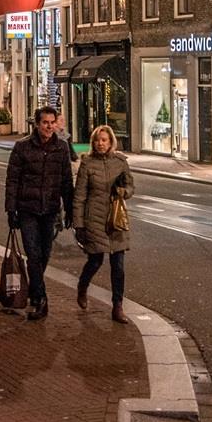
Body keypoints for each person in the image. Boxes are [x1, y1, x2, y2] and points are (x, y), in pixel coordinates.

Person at [4, 106, 75, 320]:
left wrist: (69, 208)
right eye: (45, 123)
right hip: (28, 209)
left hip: (50, 209)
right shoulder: (22, 147)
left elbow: (66, 181)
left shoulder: (61, 148)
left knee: (44, 254)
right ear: (37, 124)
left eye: (53, 123)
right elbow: (12, 181)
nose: (49, 127)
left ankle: (34, 291)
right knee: (33, 253)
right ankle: (41, 299)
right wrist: (11, 209)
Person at [72, 125, 135, 324]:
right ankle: (82, 286)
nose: (101, 143)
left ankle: (117, 306)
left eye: (104, 140)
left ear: (111, 142)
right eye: (98, 140)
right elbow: (79, 196)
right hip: (95, 220)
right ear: (93, 142)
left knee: (118, 265)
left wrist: (123, 192)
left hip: (115, 219)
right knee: (95, 261)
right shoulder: (87, 164)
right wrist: (78, 224)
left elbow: (131, 186)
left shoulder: (120, 162)